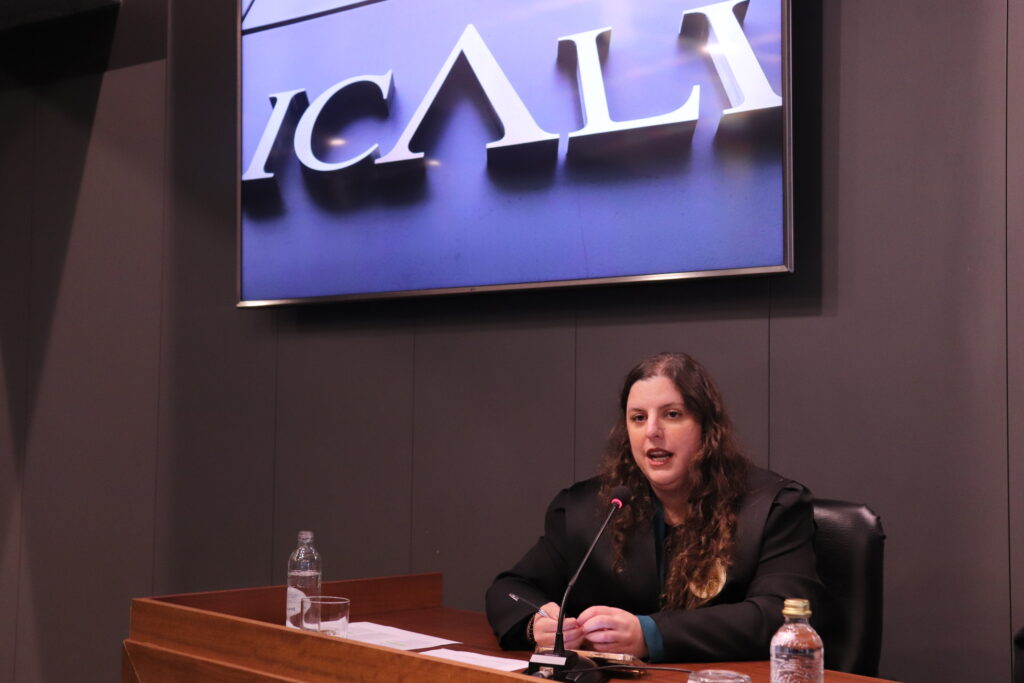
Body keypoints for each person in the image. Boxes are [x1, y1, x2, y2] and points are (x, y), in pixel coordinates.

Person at [485, 352, 823, 663]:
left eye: (672, 415)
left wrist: (650, 634)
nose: (652, 431)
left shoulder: (772, 506)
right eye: (638, 417)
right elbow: (509, 590)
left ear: (707, 427)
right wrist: (536, 624)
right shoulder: (588, 508)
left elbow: (782, 615)